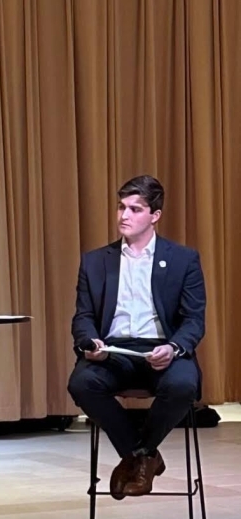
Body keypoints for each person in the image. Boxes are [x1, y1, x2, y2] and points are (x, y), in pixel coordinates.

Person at [68, 175, 206, 499]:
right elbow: (83, 315)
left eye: (134, 208)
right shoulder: (95, 261)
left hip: (163, 349)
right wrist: (91, 343)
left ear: (155, 215)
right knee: (82, 383)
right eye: (121, 207)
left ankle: (137, 455)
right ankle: (143, 456)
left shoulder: (183, 259)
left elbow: (194, 320)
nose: (123, 215)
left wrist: (173, 348)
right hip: (115, 351)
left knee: (183, 385)